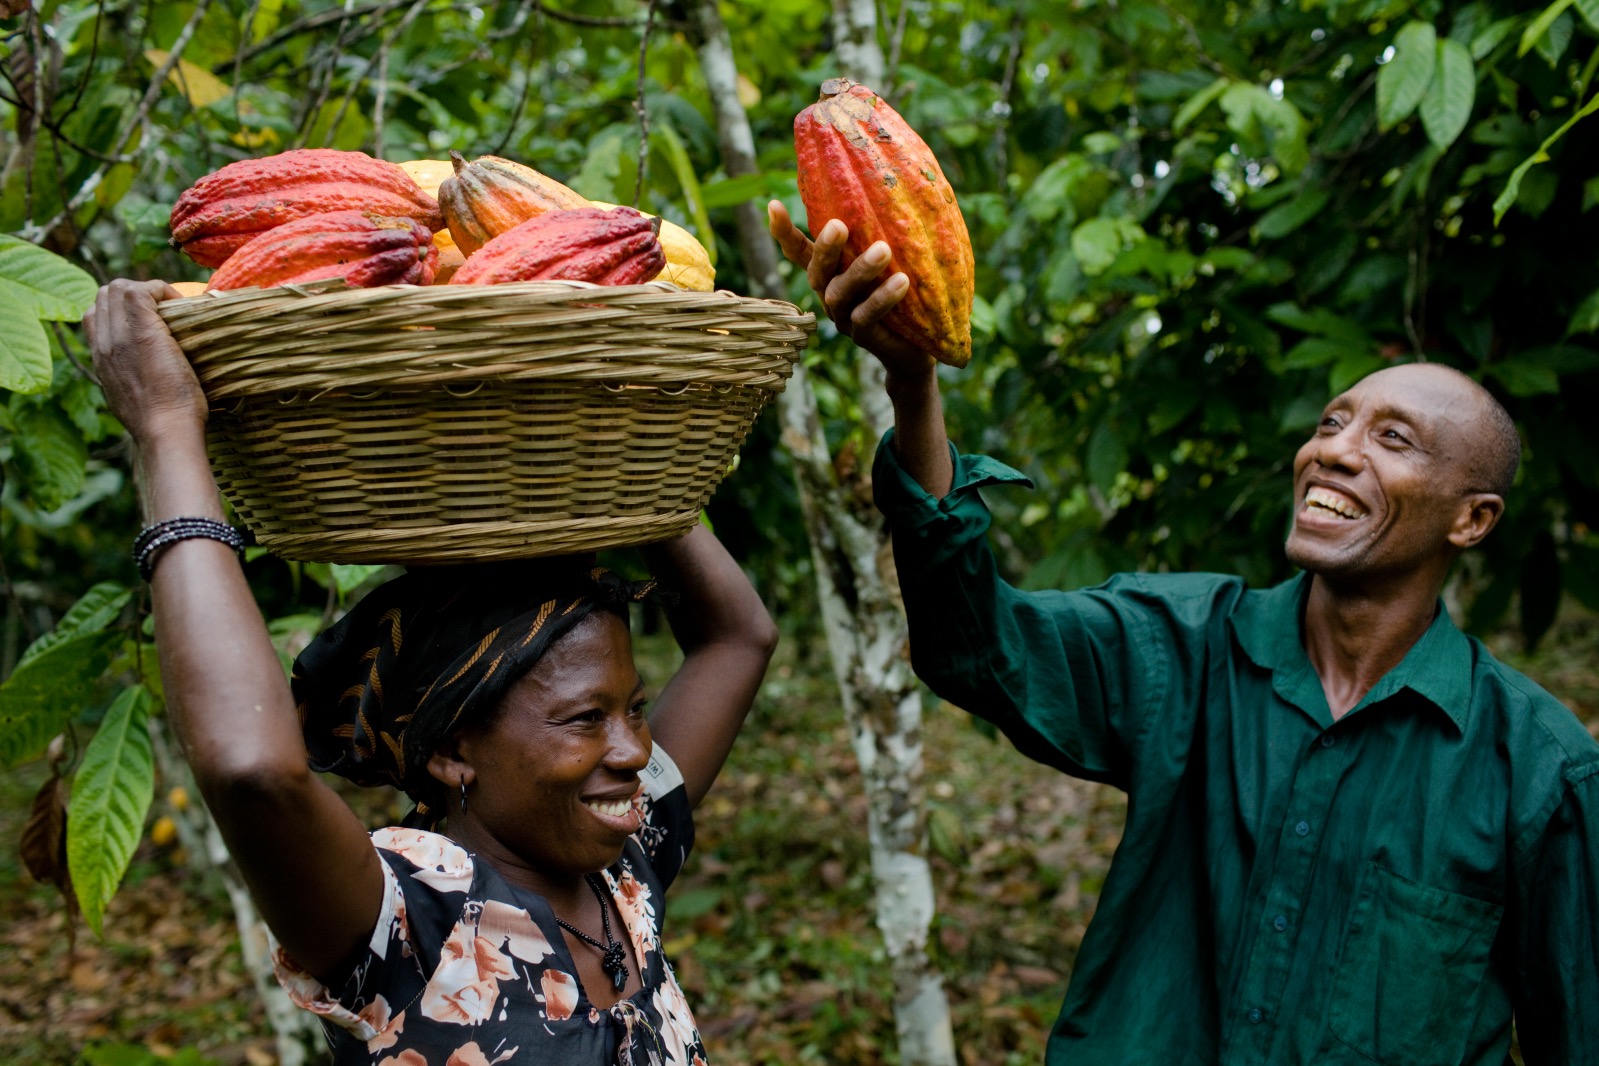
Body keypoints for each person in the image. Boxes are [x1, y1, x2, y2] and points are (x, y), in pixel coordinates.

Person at [768, 204, 1599, 1065]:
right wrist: (914, 382)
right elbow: (980, 645)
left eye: (1391, 440)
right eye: (1329, 423)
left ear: (1471, 520)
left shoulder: (1537, 770)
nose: (1334, 452)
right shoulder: (1186, 646)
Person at [86, 279, 780, 1065]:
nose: (630, 752)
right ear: (452, 748)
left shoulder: (622, 865)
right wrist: (167, 426)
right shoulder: (411, 918)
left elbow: (736, 639)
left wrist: (630, 445)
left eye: (633, 709)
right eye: (585, 719)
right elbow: (251, 769)